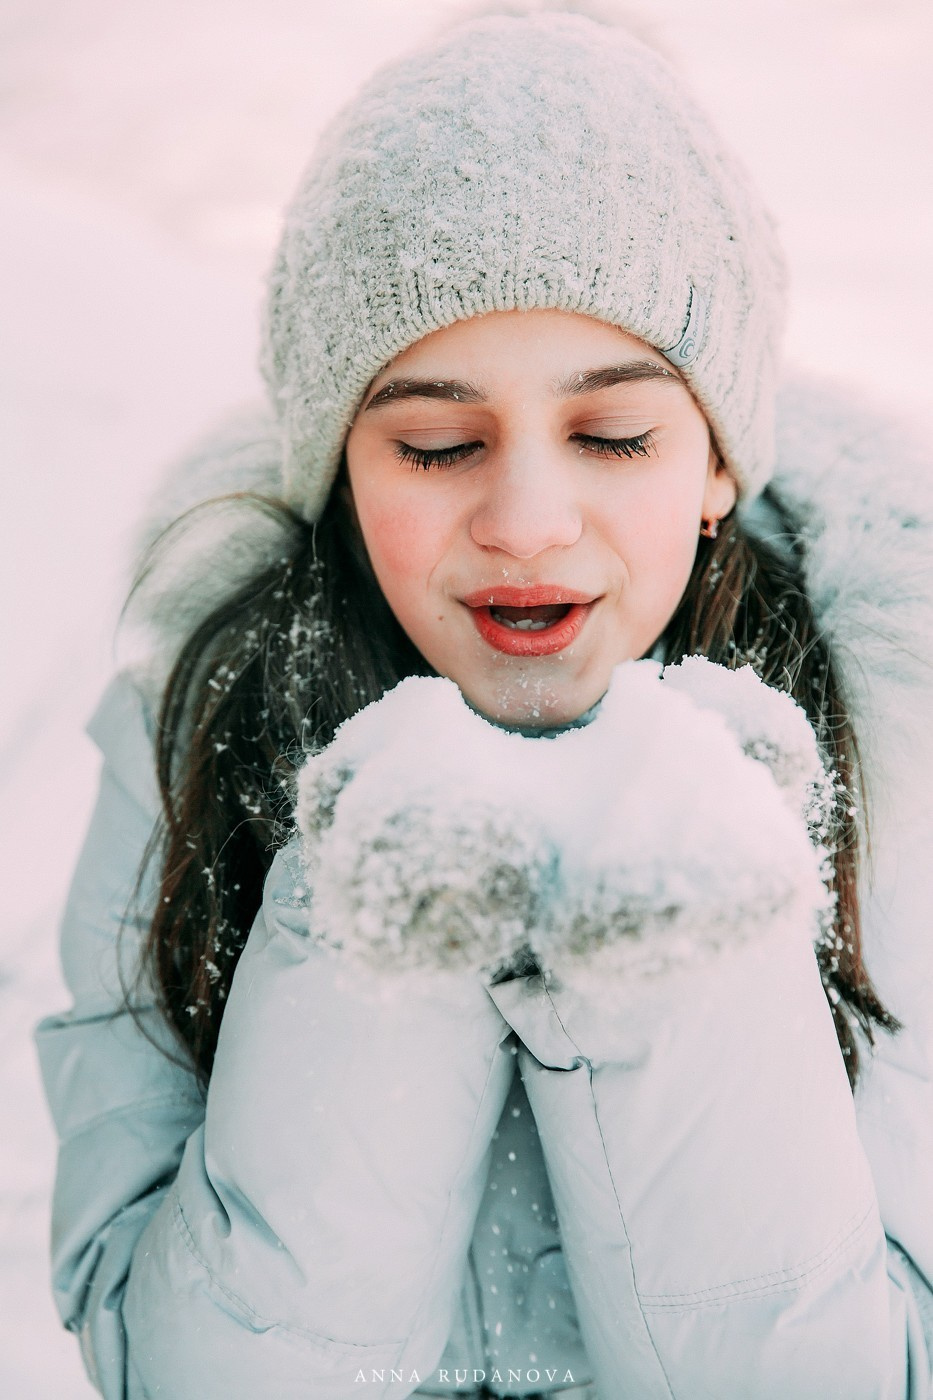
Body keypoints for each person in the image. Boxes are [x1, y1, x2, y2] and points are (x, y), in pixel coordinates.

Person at [34, 7, 933, 1399]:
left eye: (613, 434)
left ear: (712, 463)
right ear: (341, 470)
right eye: (439, 443)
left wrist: (681, 931)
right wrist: (378, 912)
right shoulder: (200, 724)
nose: (524, 522)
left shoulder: (897, 740)